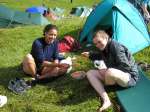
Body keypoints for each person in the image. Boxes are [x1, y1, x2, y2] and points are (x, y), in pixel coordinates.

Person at [81, 30, 139, 112]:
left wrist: (106, 71)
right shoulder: (104, 47)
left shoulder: (116, 47)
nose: (97, 45)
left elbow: (126, 67)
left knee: (110, 72)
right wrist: (90, 55)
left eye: (99, 42)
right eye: (95, 44)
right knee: (90, 73)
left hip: (129, 77)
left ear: (106, 38)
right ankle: (106, 100)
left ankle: (104, 84)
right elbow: (101, 55)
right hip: (113, 74)